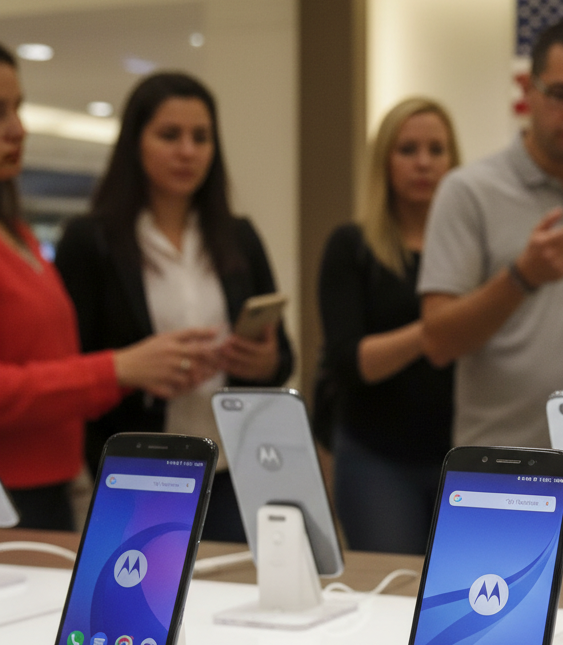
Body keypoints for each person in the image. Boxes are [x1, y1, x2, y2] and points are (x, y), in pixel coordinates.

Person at [56, 72, 293, 542]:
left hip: (231, 465)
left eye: (200, 138)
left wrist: (264, 361)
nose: (187, 151)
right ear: (135, 143)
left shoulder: (238, 236)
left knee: (230, 582)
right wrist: (140, 368)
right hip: (138, 466)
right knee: (141, 581)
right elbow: (70, 367)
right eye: (170, 135)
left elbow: (283, 358)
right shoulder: (91, 241)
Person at [0, 46, 219, 530]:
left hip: (54, 481)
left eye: (18, 108)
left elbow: (57, 361)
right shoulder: (90, 238)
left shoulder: (20, 236)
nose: (17, 129)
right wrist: (118, 368)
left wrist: (131, 371)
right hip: (18, 487)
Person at [418, 18, 563, 448]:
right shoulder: (468, 191)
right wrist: (521, 277)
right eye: (562, 95)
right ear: (528, 89)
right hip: (496, 458)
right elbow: (438, 342)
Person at [317, 98, 459, 554]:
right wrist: (435, 330)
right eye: (408, 149)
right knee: (393, 583)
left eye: (436, 150)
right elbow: (348, 361)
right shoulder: (352, 246)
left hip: (464, 451)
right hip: (377, 457)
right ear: (384, 161)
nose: (424, 163)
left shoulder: (472, 251)